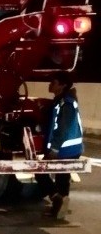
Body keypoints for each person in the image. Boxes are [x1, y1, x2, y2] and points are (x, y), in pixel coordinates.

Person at [36, 71, 83, 220]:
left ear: (62, 85)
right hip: (69, 149)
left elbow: (63, 128)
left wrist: (54, 148)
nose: (50, 84)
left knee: (40, 171)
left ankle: (57, 199)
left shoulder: (66, 103)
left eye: (53, 82)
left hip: (65, 149)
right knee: (63, 178)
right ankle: (59, 208)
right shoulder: (61, 100)